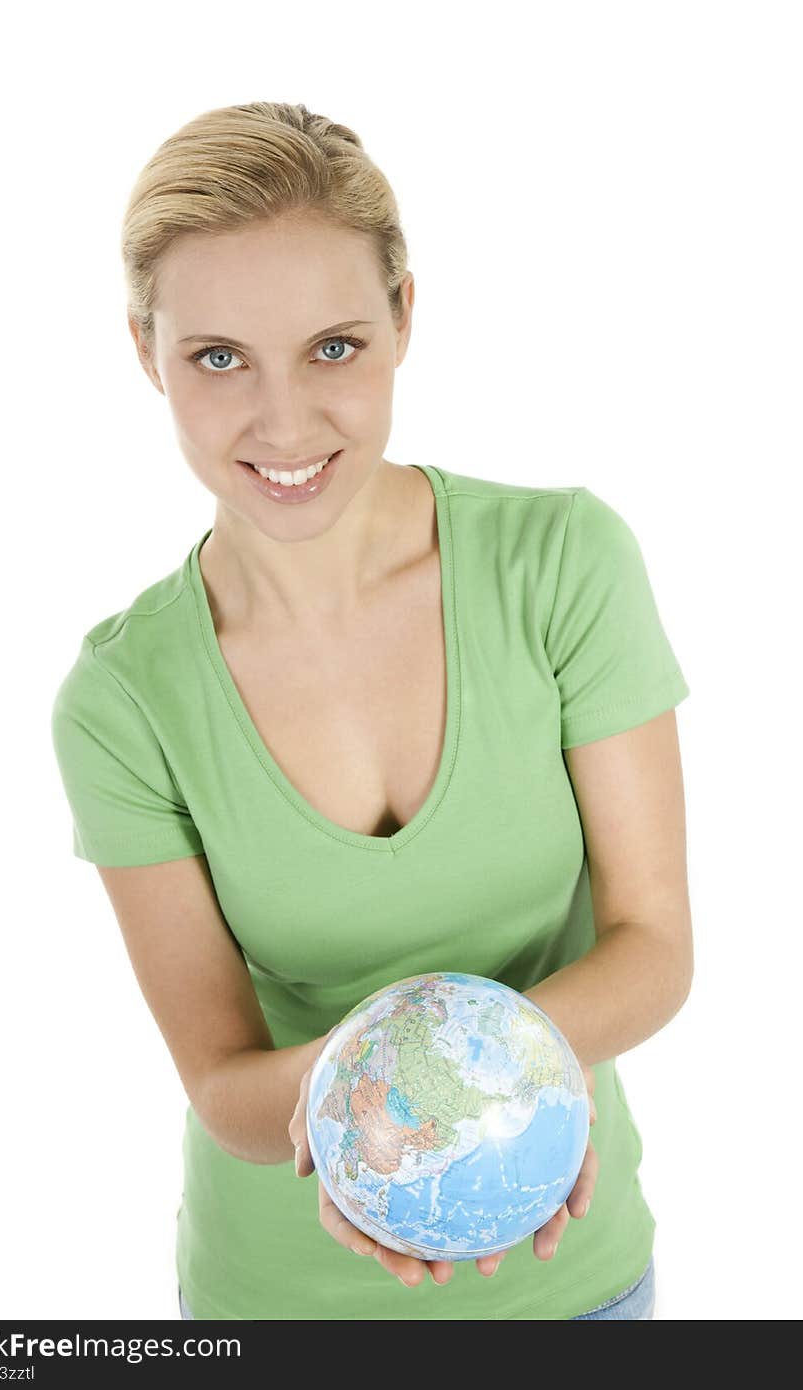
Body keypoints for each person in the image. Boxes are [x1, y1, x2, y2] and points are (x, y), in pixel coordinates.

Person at [50, 101, 692, 1321]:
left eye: (333, 346)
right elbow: (224, 1078)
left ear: (405, 316)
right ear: (146, 351)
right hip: (280, 1304)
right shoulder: (121, 700)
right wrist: (359, 1114)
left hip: (578, 1287)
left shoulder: (561, 561)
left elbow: (655, 944)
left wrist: (477, 1095)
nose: (284, 424)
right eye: (219, 357)